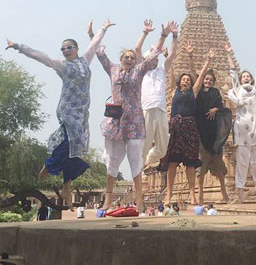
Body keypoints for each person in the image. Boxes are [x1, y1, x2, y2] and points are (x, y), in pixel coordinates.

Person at [6, 19, 115, 210]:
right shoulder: (62, 65)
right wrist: (18, 46)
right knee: (68, 143)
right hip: (67, 109)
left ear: (76, 48)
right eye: (63, 49)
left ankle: (67, 187)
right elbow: (41, 57)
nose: (66, 51)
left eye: (69, 47)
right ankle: (49, 164)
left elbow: (95, 42)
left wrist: (103, 28)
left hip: (81, 112)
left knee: (75, 150)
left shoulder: (85, 60)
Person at [96, 21, 167, 212]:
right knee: (112, 162)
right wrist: (99, 31)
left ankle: (139, 199)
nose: (129, 59)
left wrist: (162, 36)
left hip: (134, 122)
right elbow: (99, 53)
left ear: (134, 60)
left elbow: (152, 58)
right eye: (126, 57)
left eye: (131, 57)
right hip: (116, 122)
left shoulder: (139, 71)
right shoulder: (113, 69)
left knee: (136, 161)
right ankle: (107, 199)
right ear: (121, 59)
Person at [158, 49, 217, 205]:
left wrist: (205, 60)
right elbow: (170, 72)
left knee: (190, 163)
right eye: (183, 79)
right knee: (172, 163)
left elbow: (200, 75)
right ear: (179, 82)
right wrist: (167, 57)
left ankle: (192, 195)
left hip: (190, 128)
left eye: (188, 80)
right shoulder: (173, 91)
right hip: (175, 128)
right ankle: (168, 195)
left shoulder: (194, 91)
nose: (185, 81)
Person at [189, 41, 232, 205]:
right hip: (200, 133)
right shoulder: (198, 91)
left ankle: (224, 193)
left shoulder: (216, 93)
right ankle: (199, 195)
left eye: (210, 80)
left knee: (219, 169)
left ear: (213, 82)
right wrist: (193, 57)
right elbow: (194, 75)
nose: (207, 81)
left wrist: (215, 109)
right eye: (205, 79)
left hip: (214, 136)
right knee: (201, 169)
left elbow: (223, 109)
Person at [226, 41, 256, 204]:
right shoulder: (237, 90)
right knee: (242, 164)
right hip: (242, 132)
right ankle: (240, 194)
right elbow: (233, 74)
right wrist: (229, 53)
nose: (245, 78)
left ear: (250, 79)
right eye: (243, 77)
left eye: (247, 77)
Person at [135, 20, 179, 167]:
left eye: (156, 58)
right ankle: (138, 169)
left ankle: (144, 163)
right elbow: (137, 49)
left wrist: (174, 36)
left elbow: (172, 54)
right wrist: (156, 34)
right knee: (144, 144)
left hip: (160, 110)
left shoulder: (161, 70)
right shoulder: (142, 71)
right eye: (151, 57)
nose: (154, 59)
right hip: (146, 109)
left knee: (162, 148)